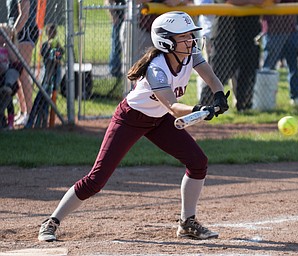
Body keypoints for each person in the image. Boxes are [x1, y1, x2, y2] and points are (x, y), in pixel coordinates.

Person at [38, 11, 229, 242]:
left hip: (158, 120)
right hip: (131, 119)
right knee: (96, 180)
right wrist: (200, 109)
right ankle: (51, 222)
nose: (191, 40)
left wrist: (219, 95)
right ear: (166, 41)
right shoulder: (156, 69)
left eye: (191, 35)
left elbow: (210, 76)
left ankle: (187, 223)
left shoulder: (190, 54)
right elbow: (173, 107)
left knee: (198, 162)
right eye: (185, 36)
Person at [199, 0, 263, 112]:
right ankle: (204, 107)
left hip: (250, 32)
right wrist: (253, 2)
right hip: (226, 32)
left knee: (247, 73)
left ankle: (243, 106)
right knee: (218, 72)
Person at [261, 0, 298, 106]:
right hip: (273, 31)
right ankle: (264, 100)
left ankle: (295, 96)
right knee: (268, 67)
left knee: (294, 65)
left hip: (291, 29)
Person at [7, 0, 39, 126]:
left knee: (23, 72)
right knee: (16, 71)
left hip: (24, 32)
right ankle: (23, 110)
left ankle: (30, 114)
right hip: (16, 32)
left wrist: (12, 33)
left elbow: (24, 15)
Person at [0, 24, 22, 129]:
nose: (1, 37)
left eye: (4, 34)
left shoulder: (11, 47)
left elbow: (15, 61)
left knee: (8, 101)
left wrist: (7, 44)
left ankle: (10, 123)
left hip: (7, 79)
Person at [105, 0, 126, 78]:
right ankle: (114, 70)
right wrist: (113, 16)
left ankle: (126, 69)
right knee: (116, 46)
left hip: (130, 19)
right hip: (119, 19)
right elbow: (108, 2)